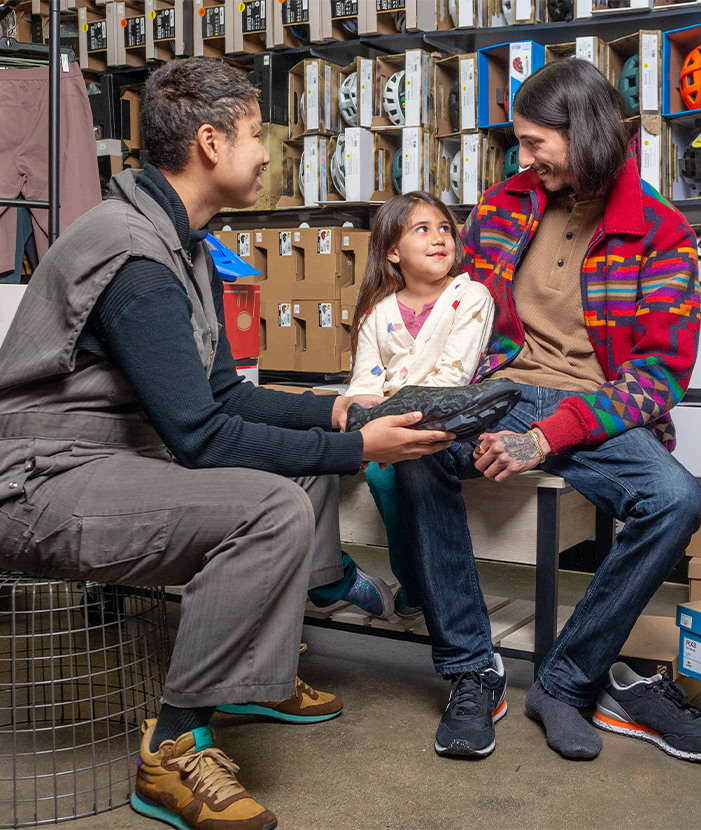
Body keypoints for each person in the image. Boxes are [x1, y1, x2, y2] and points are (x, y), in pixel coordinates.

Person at [0, 57, 452, 830]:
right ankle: (172, 749)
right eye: (254, 136)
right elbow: (204, 437)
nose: (267, 153)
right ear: (210, 143)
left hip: (111, 458)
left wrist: (338, 412)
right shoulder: (135, 258)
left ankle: (250, 674)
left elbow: (224, 396)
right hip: (40, 481)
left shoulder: (187, 244)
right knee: (269, 506)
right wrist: (360, 450)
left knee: (296, 456)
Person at [393, 59, 701, 763]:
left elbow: (659, 375)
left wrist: (548, 437)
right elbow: (465, 317)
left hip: (598, 409)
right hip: (502, 391)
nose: (522, 159)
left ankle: (566, 681)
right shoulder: (503, 205)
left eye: (533, 143)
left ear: (582, 134)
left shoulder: (660, 231)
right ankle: (471, 672)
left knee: (675, 500)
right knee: (414, 443)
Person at [340, 191, 495, 618]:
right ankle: (392, 579)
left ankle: (417, 584)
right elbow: (365, 382)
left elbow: (453, 377)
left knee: (388, 474)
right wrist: (365, 412)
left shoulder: (472, 297)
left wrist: (392, 412)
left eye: (445, 228)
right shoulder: (377, 312)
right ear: (393, 251)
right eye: (422, 230)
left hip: (445, 422)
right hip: (387, 423)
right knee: (364, 466)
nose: (439, 238)